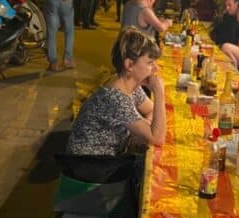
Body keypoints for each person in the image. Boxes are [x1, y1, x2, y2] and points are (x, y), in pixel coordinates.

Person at [66, 27, 166, 156]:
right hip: (88, 164)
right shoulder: (115, 97)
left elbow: (151, 110)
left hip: (108, 156)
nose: (156, 68)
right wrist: (159, 93)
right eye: (150, 63)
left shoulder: (129, 84)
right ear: (129, 65)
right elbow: (158, 138)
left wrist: (143, 128)